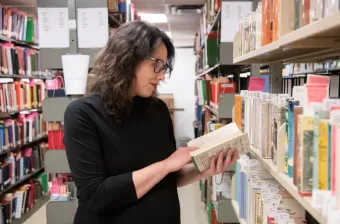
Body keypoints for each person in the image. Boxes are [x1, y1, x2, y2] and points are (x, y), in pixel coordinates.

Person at [64, 20, 238, 224]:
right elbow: (96, 196)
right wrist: (165, 165)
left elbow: (167, 177)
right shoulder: (82, 114)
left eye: (164, 67)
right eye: (157, 65)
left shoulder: (158, 110)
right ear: (127, 59)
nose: (163, 75)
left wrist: (203, 170)